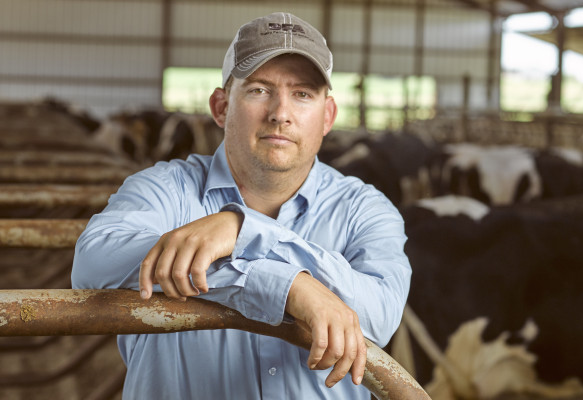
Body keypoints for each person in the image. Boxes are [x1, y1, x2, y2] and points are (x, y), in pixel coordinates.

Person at [71, 11, 411, 400]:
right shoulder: (165, 188)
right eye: (259, 90)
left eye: (302, 94)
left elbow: (380, 316)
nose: (280, 113)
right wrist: (288, 287)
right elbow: (94, 262)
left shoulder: (363, 209)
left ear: (327, 115)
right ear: (220, 107)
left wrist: (241, 230)